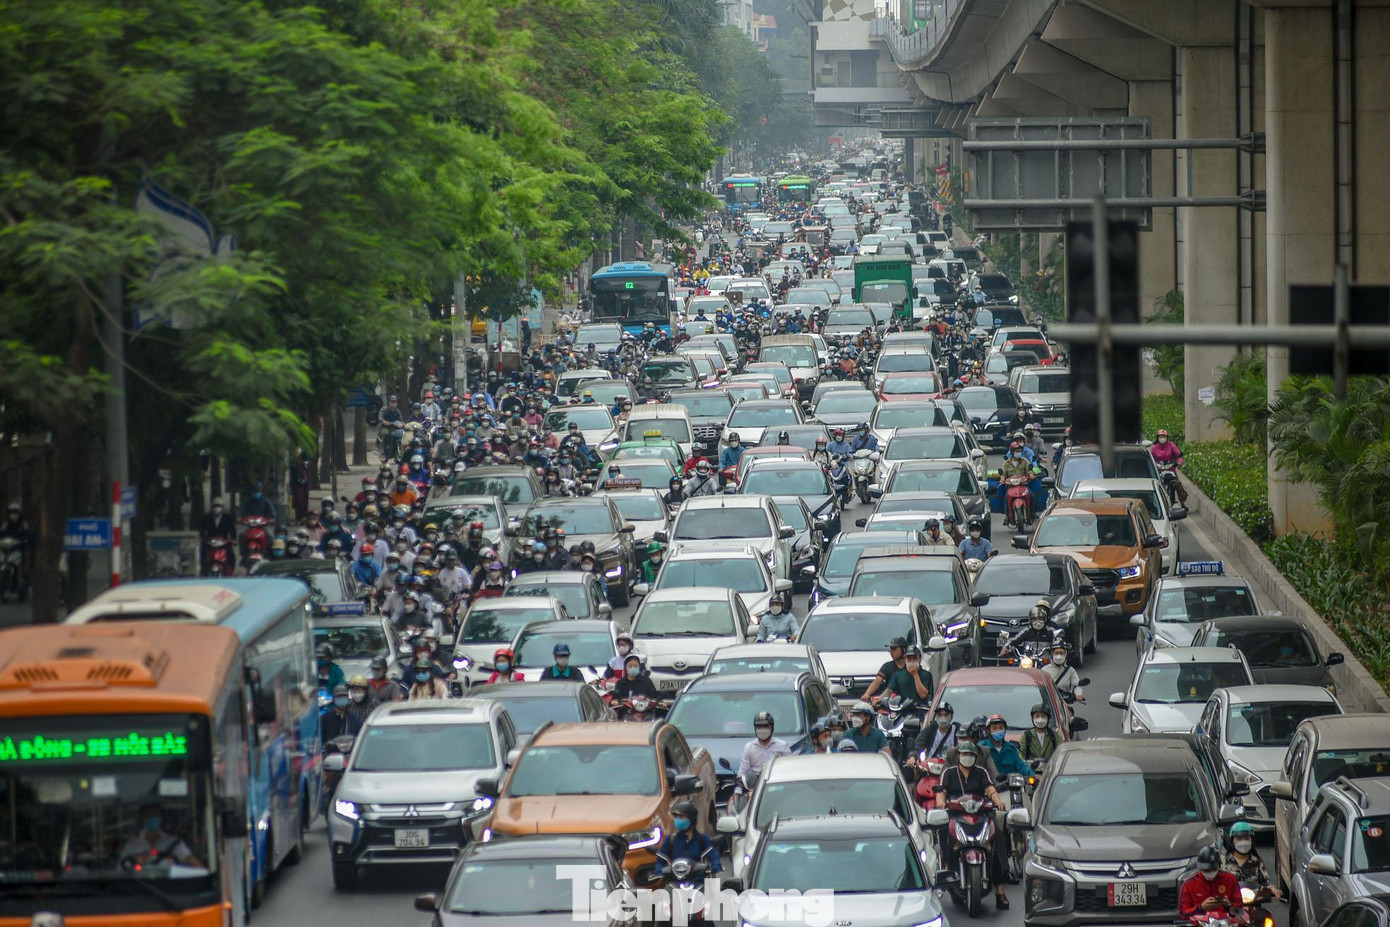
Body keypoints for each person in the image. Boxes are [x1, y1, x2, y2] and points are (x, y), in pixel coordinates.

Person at [936, 742, 1008, 909]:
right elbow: (942, 792)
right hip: (955, 814)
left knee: (994, 841)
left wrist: (998, 801)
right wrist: (941, 803)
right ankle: (946, 865)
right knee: (942, 828)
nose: (967, 757)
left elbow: (990, 789)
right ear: (958, 756)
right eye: (964, 754)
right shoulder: (949, 772)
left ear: (976, 757)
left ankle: (1000, 892)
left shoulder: (981, 772)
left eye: (970, 755)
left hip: (980, 814)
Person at [119, 804, 203, 869]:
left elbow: (190, 859)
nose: (152, 817)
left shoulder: (173, 843)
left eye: (155, 815)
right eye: (148, 815)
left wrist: (201, 871)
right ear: (142, 819)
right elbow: (121, 868)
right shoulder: (132, 844)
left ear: (161, 819)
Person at [653, 801, 720, 880]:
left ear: (691, 819)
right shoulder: (671, 839)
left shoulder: (702, 839)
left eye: (681, 817)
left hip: (699, 881)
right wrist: (659, 870)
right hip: (676, 881)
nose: (677, 820)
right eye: (676, 817)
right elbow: (661, 860)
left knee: (714, 886)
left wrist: (716, 865)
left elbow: (713, 855)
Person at [1222, 820, 1281, 899]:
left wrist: (1273, 890)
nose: (1243, 842)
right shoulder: (1223, 862)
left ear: (1251, 840)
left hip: (1253, 902)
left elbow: (1266, 883)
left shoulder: (1257, 862)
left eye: (1246, 838)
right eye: (1239, 838)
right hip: (1229, 902)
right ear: (1232, 840)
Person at [1179, 846, 1243, 918]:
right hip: (1200, 922)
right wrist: (1201, 907)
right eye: (1206, 870)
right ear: (1200, 868)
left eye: (1214, 869)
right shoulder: (1188, 884)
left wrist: (1228, 904)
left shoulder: (1230, 879)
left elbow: (1240, 911)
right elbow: (1183, 914)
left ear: (1219, 866)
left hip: (1225, 921)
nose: (1210, 872)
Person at [736, 712, 792, 789]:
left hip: (777, 784)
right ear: (755, 728)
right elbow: (742, 774)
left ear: (772, 727)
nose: (762, 730)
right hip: (755, 787)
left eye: (766, 726)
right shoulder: (749, 747)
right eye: (759, 727)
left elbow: (789, 769)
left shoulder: (782, 746)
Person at [980, 714, 1030, 778]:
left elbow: (1022, 766)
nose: (998, 731)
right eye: (994, 728)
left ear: (1005, 730)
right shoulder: (982, 747)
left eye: (1001, 728)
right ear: (988, 731)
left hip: (1010, 783)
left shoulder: (1012, 749)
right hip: (988, 783)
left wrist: (1032, 774)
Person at [1150, 428, 1190, 505]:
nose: (1162, 439)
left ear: (1167, 438)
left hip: (1171, 469)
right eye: (1160, 437)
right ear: (1158, 438)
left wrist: (1178, 462)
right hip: (1159, 470)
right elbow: (1150, 458)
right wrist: (1153, 464)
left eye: (1164, 437)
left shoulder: (1171, 445)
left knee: (1178, 484)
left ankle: (1182, 502)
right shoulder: (1154, 448)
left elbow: (1179, 455)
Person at [197, 498, 237, 575]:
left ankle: (230, 570)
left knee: (230, 554)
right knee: (203, 553)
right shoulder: (206, 518)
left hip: (223, 541)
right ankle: (203, 571)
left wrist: (234, 539)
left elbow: (232, 530)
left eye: (219, 506)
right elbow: (202, 529)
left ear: (223, 507)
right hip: (210, 541)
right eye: (215, 506)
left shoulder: (227, 518)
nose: (216, 508)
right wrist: (201, 538)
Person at [863, 637, 908, 702]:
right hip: (890, 701)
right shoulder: (887, 666)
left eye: (894, 649)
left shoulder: (911, 667)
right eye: (890, 649)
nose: (891, 652)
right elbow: (877, 682)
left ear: (904, 649)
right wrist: (867, 694)